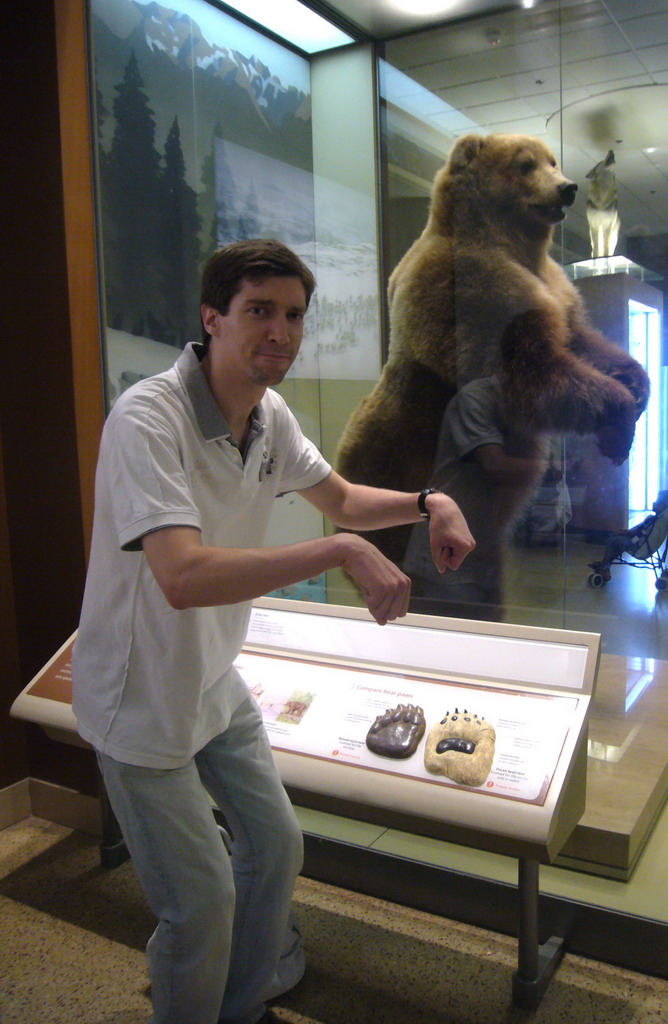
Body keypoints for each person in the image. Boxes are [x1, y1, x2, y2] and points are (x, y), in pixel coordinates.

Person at [71, 239, 475, 1024]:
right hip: (141, 696)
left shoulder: (268, 414)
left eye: (293, 315)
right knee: (200, 902)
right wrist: (338, 551)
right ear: (212, 317)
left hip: (214, 680)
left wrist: (430, 503)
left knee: (276, 845)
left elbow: (347, 502)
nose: (280, 332)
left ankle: (243, 1003)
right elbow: (181, 576)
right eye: (260, 311)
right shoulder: (146, 420)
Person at [403, 375, 548, 620]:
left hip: (485, 550)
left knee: (490, 637)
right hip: (446, 557)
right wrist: (555, 467)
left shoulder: (524, 403)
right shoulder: (475, 399)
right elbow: (496, 465)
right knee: (456, 643)